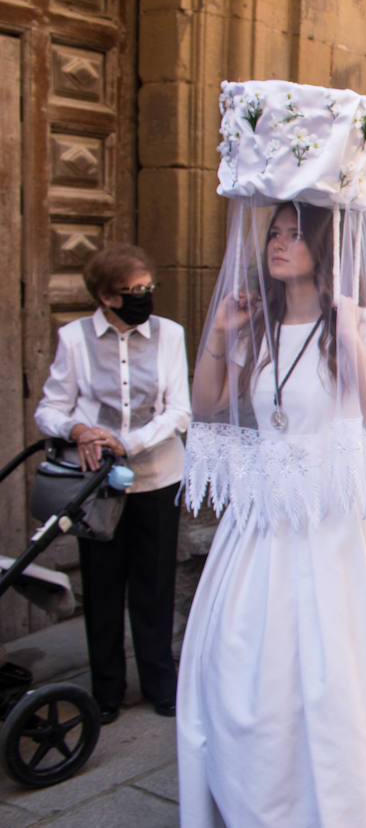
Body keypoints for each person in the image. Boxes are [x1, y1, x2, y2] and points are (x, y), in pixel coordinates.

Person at [179, 79, 366, 826]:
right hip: (266, 529)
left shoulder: (363, 321)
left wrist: (345, 333)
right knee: (249, 673)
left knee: (336, 679)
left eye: (291, 234)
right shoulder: (258, 326)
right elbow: (210, 405)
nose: (277, 244)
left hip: (335, 533)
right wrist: (219, 337)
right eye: (271, 234)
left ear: (321, 245)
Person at [34, 243, 189, 725]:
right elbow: (49, 409)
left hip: (158, 478)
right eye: (132, 291)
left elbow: (179, 411)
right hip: (97, 489)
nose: (145, 297)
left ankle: (160, 684)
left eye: (148, 287)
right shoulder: (75, 339)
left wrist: (131, 441)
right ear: (105, 297)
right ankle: (105, 692)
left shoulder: (170, 335)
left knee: (155, 585)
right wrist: (78, 430)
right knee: (102, 589)